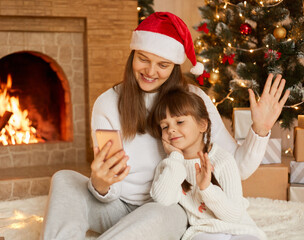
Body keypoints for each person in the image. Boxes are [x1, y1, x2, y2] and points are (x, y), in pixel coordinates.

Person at [41, 12, 289, 240]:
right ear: (132, 56)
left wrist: (260, 130)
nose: (150, 71)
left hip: (166, 209)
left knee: (158, 211)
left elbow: (235, 168)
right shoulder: (107, 104)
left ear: (174, 67)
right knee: (64, 179)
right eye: (143, 59)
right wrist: (100, 183)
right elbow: (110, 189)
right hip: (116, 207)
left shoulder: (194, 99)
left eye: (163, 65)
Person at [149, 87, 266, 240]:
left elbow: (234, 216)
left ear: (202, 125)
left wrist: (207, 188)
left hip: (238, 229)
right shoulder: (170, 166)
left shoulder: (223, 160)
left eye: (179, 122)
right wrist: (176, 156)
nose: (171, 130)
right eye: (165, 126)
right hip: (203, 232)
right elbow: (162, 199)